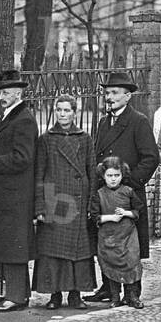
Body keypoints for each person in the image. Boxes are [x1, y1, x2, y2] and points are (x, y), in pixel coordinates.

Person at [84, 71, 159, 303]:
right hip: (105, 195)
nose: (109, 97)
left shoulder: (138, 121)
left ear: (128, 96)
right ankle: (108, 287)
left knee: (129, 244)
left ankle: (132, 292)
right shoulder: (103, 122)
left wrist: (130, 183)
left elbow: (151, 158)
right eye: (107, 93)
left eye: (115, 93)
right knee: (106, 241)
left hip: (127, 196)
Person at [0, 70, 38, 313]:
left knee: (14, 246)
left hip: (15, 194)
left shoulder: (22, 119)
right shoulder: (14, 116)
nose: (0, 97)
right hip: (10, 193)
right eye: (0, 92)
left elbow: (22, 158)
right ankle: (17, 293)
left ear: (18, 93)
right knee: (11, 244)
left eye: (5, 93)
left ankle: (16, 296)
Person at [32, 94, 95, 310]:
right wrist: (40, 206)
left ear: (75, 113)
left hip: (77, 201)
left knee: (78, 250)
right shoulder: (46, 139)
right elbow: (39, 174)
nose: (62, 114)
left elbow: (91, 172)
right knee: (53, 250)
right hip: (55, 201)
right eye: (59, 110)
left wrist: (91, 204)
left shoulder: (84, 138)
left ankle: (76, 294)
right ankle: (55, 294)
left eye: (67, 110)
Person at [89, 156, 146, 308]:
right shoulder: (99, 194)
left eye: (116, 175)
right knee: (111, 264)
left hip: (128, 236)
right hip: (109, 236)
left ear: (122, 175)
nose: (113, 179)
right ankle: (115, 297)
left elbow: (138, 211)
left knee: (132, 263)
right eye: (109, 176)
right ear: (103, 176)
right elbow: (94, 216)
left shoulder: (128, 191)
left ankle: (132, 296)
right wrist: (110, 218)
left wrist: (126, 213)